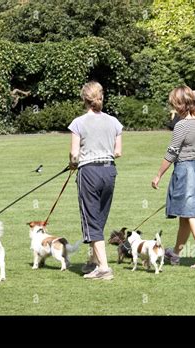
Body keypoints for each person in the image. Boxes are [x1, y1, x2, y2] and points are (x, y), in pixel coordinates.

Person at [151, 86, 195, 269]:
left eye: (174, 104)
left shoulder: (182, 125)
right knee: (185, 216)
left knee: (192, 215)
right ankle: (176, 254)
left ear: (180, 104)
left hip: (186, 172)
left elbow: (171, 153)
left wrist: (158, 175)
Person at [68, 81, 123, 280]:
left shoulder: (78, 123)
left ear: (85, 99)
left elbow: (74, 154)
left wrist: (73, 163)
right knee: (99, 217)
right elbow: (117, 152)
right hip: (109, 171)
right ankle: (93, 261)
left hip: (89, 172)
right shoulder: (114, 122)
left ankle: (104, 268)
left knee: (91, 219)